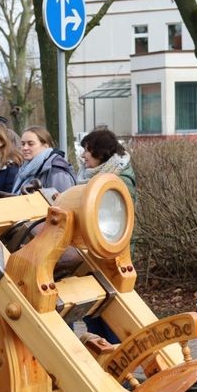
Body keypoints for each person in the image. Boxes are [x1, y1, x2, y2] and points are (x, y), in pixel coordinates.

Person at [77, 128, 138, 344]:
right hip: (92, 255)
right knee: (93, 314)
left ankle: (116, 366)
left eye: (87, 151)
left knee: (111, 316)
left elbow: (115, 223)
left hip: (110, 258)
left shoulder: (119, 180)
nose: (83, 156)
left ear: (101, 152)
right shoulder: (93, 177)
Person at [13, 126, 76, 194]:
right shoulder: (23, 170)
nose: (25, 148)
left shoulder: (56, 170)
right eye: (23, 144)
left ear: (45, 146)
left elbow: (61, 201)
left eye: (30, 144)